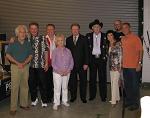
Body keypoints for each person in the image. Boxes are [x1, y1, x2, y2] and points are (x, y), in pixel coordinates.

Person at [6, 25, 33, 115]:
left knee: (25, 86)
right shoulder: (12, 42)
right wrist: (18, 63)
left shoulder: (27, 43)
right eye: (21, 32)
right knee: (14, 87)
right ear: (17, 33)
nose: (23, 34)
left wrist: (24, 63)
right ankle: (13, 108)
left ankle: (23, 104)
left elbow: (30, 55)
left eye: (24, 32)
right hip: (15, 67)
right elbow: (8, 55)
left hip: (25, 67)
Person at [121, 22, 143, 111]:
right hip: (125, 66)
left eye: (126, 27)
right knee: (127, 85)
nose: (124, 29)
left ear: (129, 28)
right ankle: (129, 101)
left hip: (134, 67)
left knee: (134, 86)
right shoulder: (123, 39)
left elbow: (141, 51)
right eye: (123, 28)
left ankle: (136, 103)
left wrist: (140, 63)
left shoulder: (135, 38)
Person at [86, 19, 109, 102]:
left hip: (101, 59)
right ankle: (92, 95)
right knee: (92, 78)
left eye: (98, 27)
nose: (96, 28)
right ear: (92, 28)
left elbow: (111, 43)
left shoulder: (105, 36)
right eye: (95, 27)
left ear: (100, 28)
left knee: (102, 78)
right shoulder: (88, 36)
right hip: (92, 59)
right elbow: (85, 48)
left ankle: (103, 96)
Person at [66, 23, 89, 103]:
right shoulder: (68, 39)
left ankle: (83, 97)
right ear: (71, 30)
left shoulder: (84, 38)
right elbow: (66, 53)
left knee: (83, 82)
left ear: (79, 30)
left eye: (76, 29)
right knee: (72, 82)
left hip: (82, 65)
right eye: (73, 29)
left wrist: (86, 63)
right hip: (71, 65)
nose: (75, 30)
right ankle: (73, 96)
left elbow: (87, 52)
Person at [28, 22, 49, 107]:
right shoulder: (26, 39)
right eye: (32, 28)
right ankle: (34, 99)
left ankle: (44, 100)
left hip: (40, 65)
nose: (33, 30)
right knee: (32, 83)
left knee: (42, 83)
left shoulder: (42, 38)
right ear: (29, 29)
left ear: (38, 29)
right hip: (30, 66)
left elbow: (46, 51)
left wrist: (47, 62)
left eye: (35, 28)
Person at [52, 34, 74, 110]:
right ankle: (56, 102)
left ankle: (64, 101)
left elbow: (71, 61)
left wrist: (68, 70)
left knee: (65, 88)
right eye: (58, 41)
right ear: (56, 42)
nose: (60, 42)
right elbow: (53, 63)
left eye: (62, 40)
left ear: (64, 41)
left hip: (67, 73)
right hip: (57, 73)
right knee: (57, 88)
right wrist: (59, 71)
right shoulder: (54, 51)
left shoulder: (68, 51)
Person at [106, 30, 122, 107]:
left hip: (117, 67)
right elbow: (109, 56)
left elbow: (121, 55)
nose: (109, 37)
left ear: (113, 36)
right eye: (108, 35)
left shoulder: (118, 43)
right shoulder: (109, 44)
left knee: (115, 83)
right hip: (111, 66)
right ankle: (117, 98)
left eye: (111, 35)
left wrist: (120, 66)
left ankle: (113, 101)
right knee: (113, 82)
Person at [45, 24, 56, 102]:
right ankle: (49, 96)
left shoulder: (58, 38)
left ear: (54, 30)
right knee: (48, 81)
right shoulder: (43, 39)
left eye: (51, 29)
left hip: (57, 64)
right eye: (48, 29)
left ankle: (57, 97)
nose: (50, 31)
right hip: (47, 64)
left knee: (56, 81)